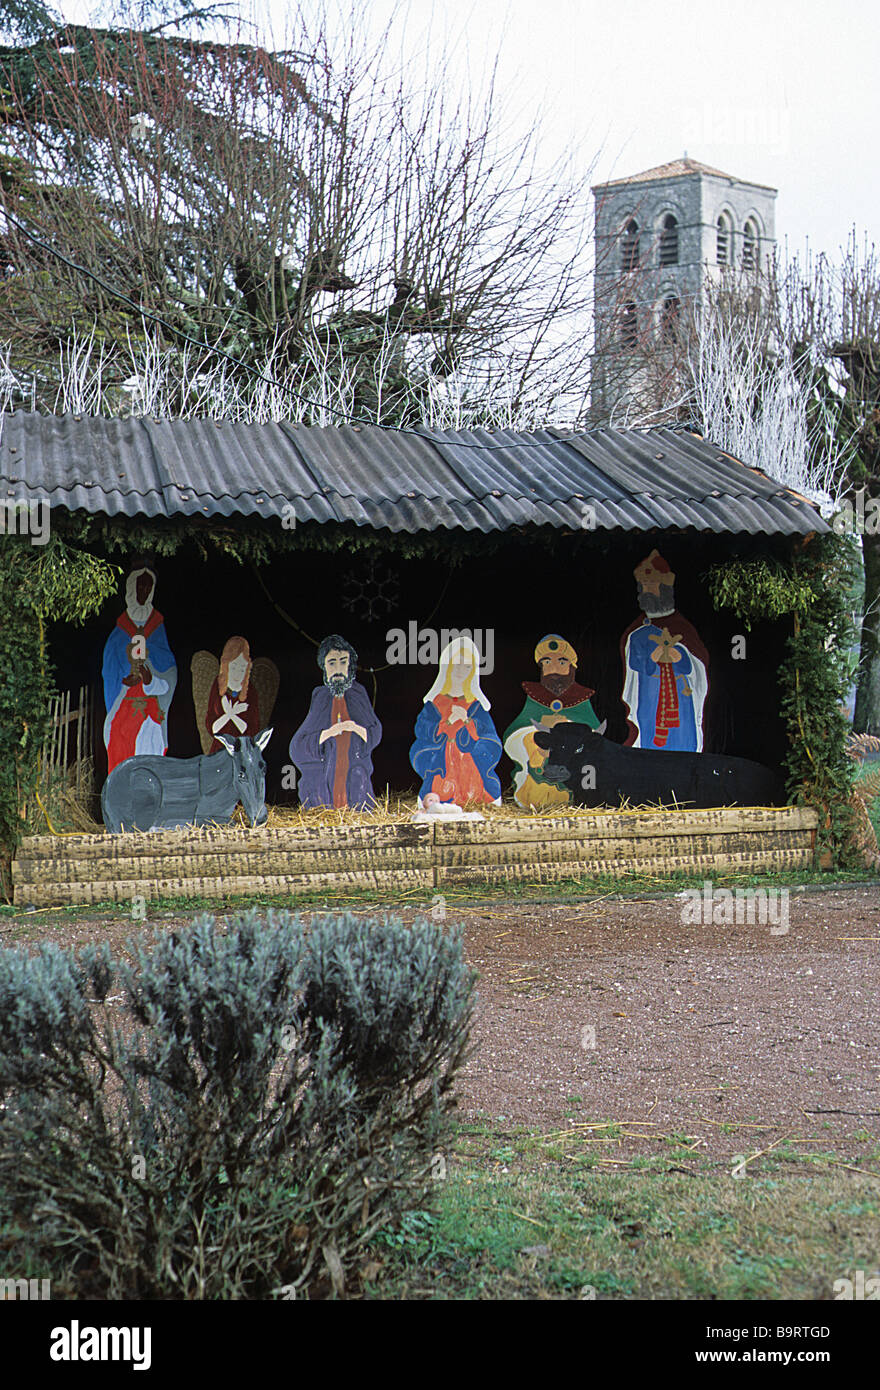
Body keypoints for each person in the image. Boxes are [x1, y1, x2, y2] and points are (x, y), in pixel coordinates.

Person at [620, 550, 709, 750]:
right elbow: (633, 664)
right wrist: (651, 659)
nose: (648, 589)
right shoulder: (637, 633)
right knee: (651, 748)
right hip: (649, 697)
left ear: (665, 587)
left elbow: (699, 661)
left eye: (653, 584)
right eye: (645, 585)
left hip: (681, 699)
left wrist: (682, 656)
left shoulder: (682, 627)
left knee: (681, 746)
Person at [503, 634, 603, 809]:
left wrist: (568, 727)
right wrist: (536, 735)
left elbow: (595, 736)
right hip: (539, 770)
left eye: (562, 663)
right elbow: (514, 732)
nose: (554, 668)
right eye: (548, 663)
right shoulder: (534, 697)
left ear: (572, 667)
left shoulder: (580, 698)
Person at [289, 635, 381, 809]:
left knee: (358, 781)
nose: (338, 669)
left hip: (353, 767)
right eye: (332, 663)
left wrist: (354, 728)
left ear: (350, 666)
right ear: (324, 666)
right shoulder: (320, 696)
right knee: (319, 788)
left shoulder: (359, 693)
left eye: (343, 662)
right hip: (326, 770)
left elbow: (375, 731)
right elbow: (298, 744)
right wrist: (329, 733)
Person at [410, 635, 502, 806]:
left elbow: (489, 735)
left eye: (467, 666)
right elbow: (422, 729)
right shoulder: (435, 703)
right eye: (457, 665)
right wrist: (447, 723)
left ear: (472, 671)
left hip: (467, 760)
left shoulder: (475, 705)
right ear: (449, 666)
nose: (461, 670)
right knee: (441, 792)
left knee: (474, 792)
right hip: (442, 758)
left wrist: (467, 721)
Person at [103, 565, 176, 771]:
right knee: (119, 745)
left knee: (149, 754)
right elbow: (109, 672)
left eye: (148, 587)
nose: (143, 591)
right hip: (124, 709)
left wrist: (149, 678)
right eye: (140, 585)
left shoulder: (157, 628)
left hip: (149, 712)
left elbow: (169, 671)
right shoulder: (119, 632)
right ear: (131, 587)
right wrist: (124, 682)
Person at [206, 636, 261, 752]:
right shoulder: (218, 684)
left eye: (242, 669)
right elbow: (212, 728)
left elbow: (252, 731)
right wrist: (229, 714)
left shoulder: (250, 691)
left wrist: (233, 715)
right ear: (226, 665)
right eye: (234, 667)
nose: (237, 674)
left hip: (241, 752)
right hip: (219, 751)